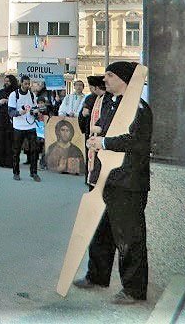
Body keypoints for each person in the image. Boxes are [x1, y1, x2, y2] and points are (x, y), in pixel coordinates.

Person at [74, 61, 152, 305]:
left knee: (129, 237)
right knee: (100, 232)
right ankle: (97, 276)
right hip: (106, 179)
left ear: (123, 79)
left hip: (127, 182)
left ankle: (134, 290)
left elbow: (137, 141)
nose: (104, 79)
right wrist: (97, 133)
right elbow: (107, 132)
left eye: (110, 75)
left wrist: (105, 142)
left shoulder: (139, 107)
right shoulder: (109, 103)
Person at [7, 75, 40, 181]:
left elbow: (35, 108)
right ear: (21, 83)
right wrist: (18, 112)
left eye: (28, 84)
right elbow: (10, 112)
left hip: (31, 125)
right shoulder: (14, 95)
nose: (27, 85)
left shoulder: (32, 95)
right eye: (25, 83)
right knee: (16, 151)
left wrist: (35, 112)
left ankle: (34, 172)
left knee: (34, 150)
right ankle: (16, 172)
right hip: (18, 126)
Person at [0, 74, 18, 168]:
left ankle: (9, 161)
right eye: (5, 81)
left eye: (8, 81)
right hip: (1, 119)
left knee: (9, 140)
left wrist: (8, 101)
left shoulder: (16, 92)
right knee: (0, 139)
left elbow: (18, 104)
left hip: (11, 120)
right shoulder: (1, 91)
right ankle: (1, 160)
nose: (6, 83)